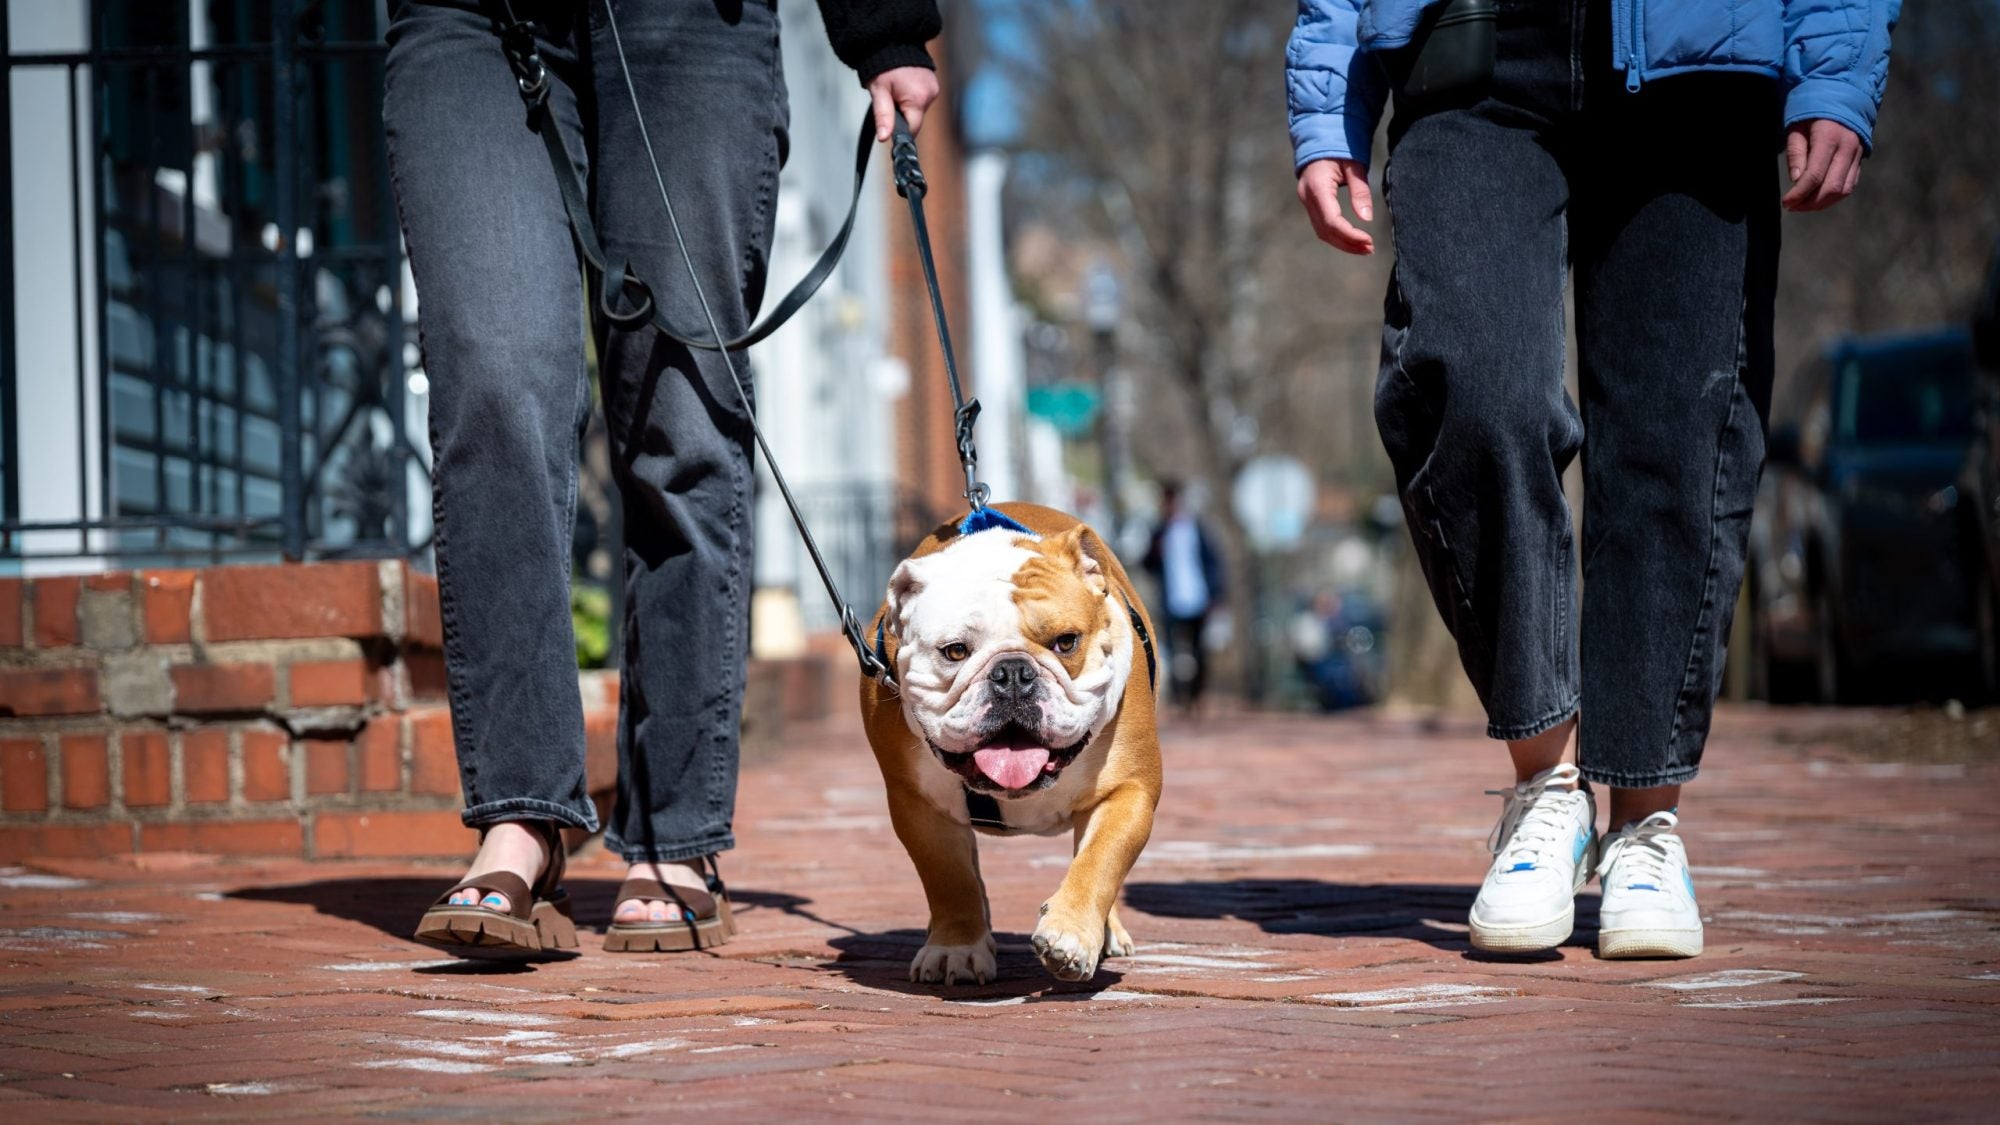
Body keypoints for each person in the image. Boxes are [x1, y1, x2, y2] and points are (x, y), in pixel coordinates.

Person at [1287, 0, 1896, 958]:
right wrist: (1329, 96)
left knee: (1678, 433)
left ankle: (1645, 823)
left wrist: (1837, 65)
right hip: (1473, 44)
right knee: (1472, 381)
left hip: (1706, 56)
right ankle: (1547, 782)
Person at [389, 0, 941, 957]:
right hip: (468, 18)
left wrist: (884, 28)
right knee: (493, 383)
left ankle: (674, 832)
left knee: (683, 412)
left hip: (690, 23)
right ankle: (522, 818)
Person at [1142, 482, 1226, 715]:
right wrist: (1154, 553)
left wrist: (1216, 595)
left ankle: (1198, 695)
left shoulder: (1197, 528)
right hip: (1171, 601)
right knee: (1175, 654)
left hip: (1199, 599)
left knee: (1199, 651)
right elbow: (1146, 564)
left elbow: (1213, 562)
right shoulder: (1158, 532)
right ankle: (1180, 698)